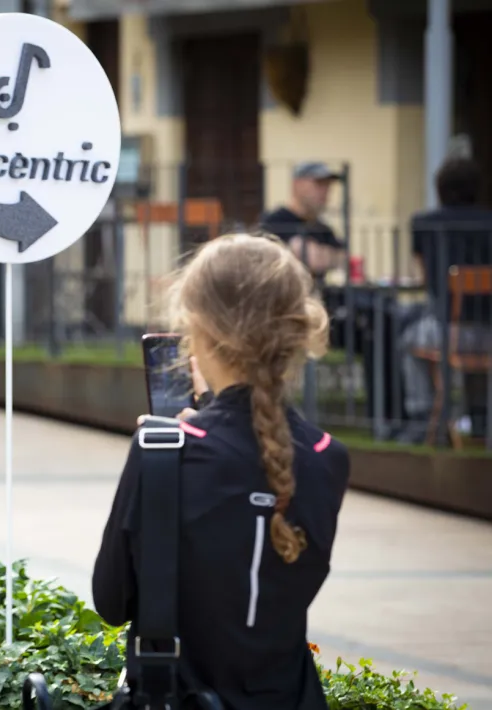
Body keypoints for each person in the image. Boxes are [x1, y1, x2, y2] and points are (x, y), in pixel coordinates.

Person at [93, 234, 351, 709]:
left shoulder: (162, 450)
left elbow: (112, 603)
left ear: (199, 329)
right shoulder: (328, 456)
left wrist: (182, 440)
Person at [398, 155, 492, 443]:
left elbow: (424, 276)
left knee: (406, 337)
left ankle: (422, 414)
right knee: (476, 357)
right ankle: (479, 418)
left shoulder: (424, 223)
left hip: (444, 331)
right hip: (488, 332)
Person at [259, 161, 345, 278]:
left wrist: (317, 254)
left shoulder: (323, 228)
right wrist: (326, 255)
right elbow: (313, 260)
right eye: (319, 184)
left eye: (328, 185)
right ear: (297, 185)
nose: (325, 191)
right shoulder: (275, 221)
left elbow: (344, 258)